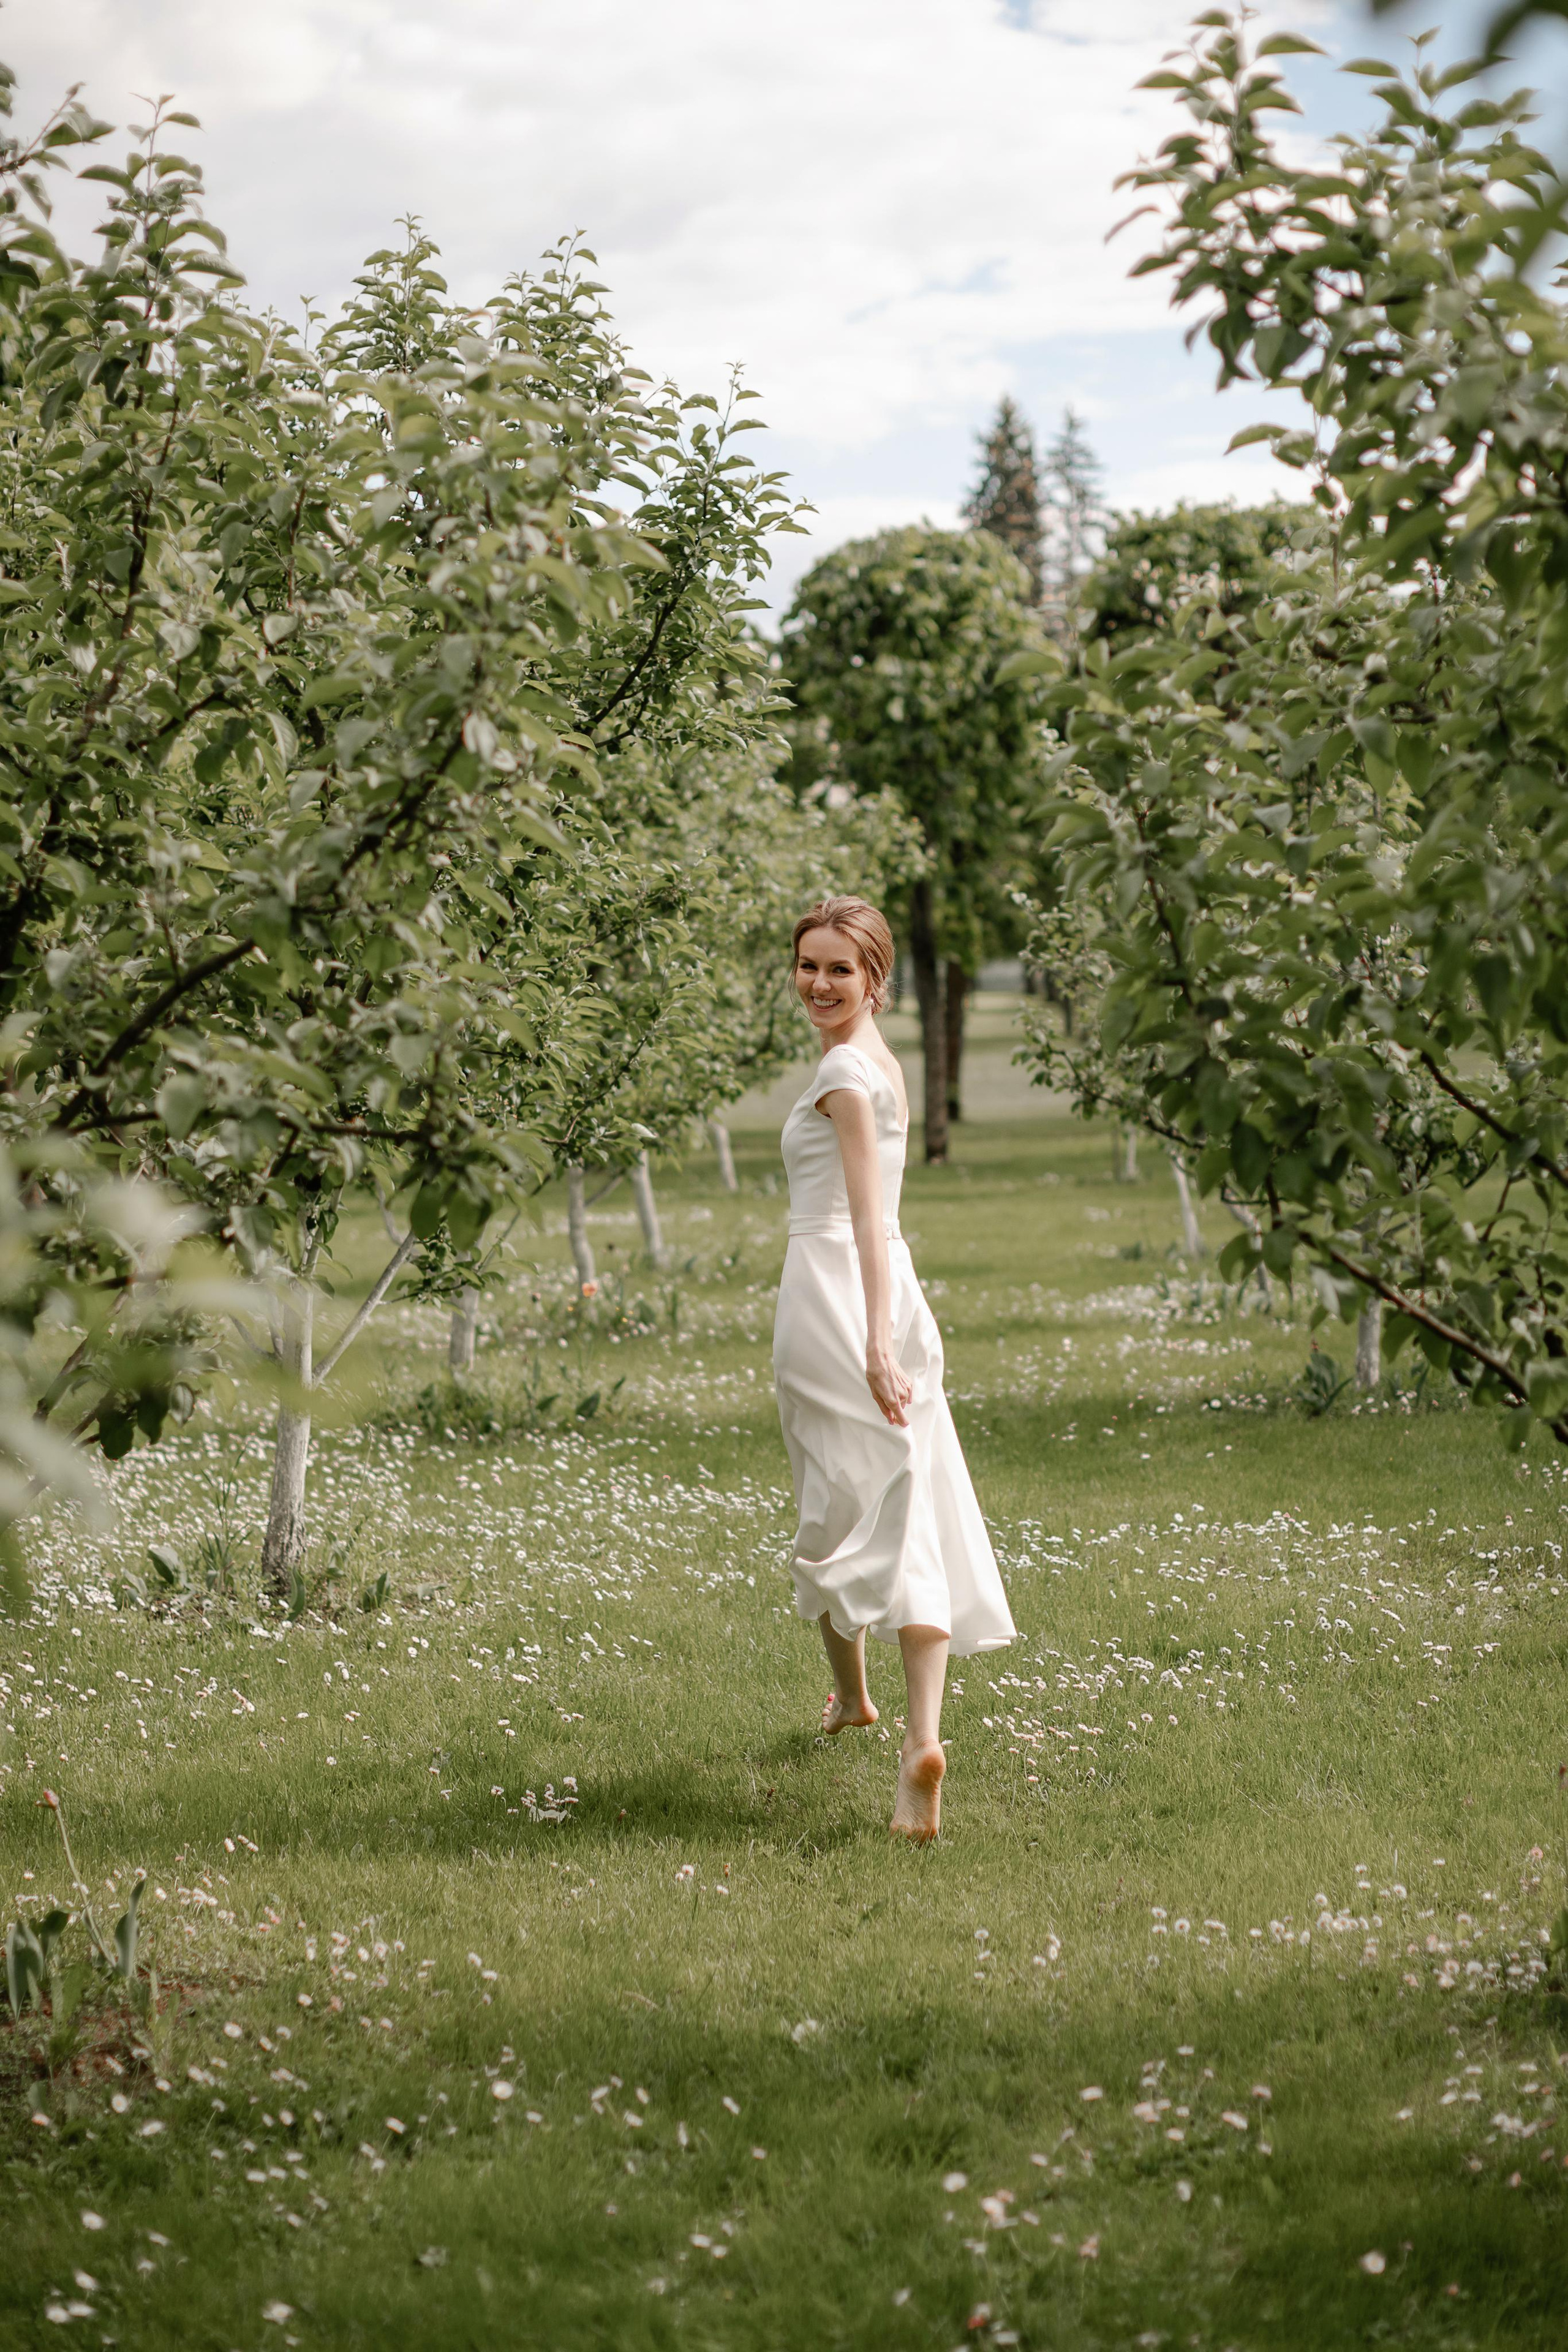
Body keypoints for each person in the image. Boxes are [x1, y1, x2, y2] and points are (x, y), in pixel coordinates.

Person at [772, 897, 1015, 1842]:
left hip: (838, 1299)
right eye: (807, 966)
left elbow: (863, 1217)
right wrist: (894, 1325)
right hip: (892, 1290)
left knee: (836, 1515)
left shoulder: (840, 1071)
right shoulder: (883, 1065)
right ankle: (903, 1726)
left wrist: (874, 1342)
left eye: (840, 968)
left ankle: (856, 1702)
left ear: (876, 977)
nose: (820, 984)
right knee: (911, 1505)